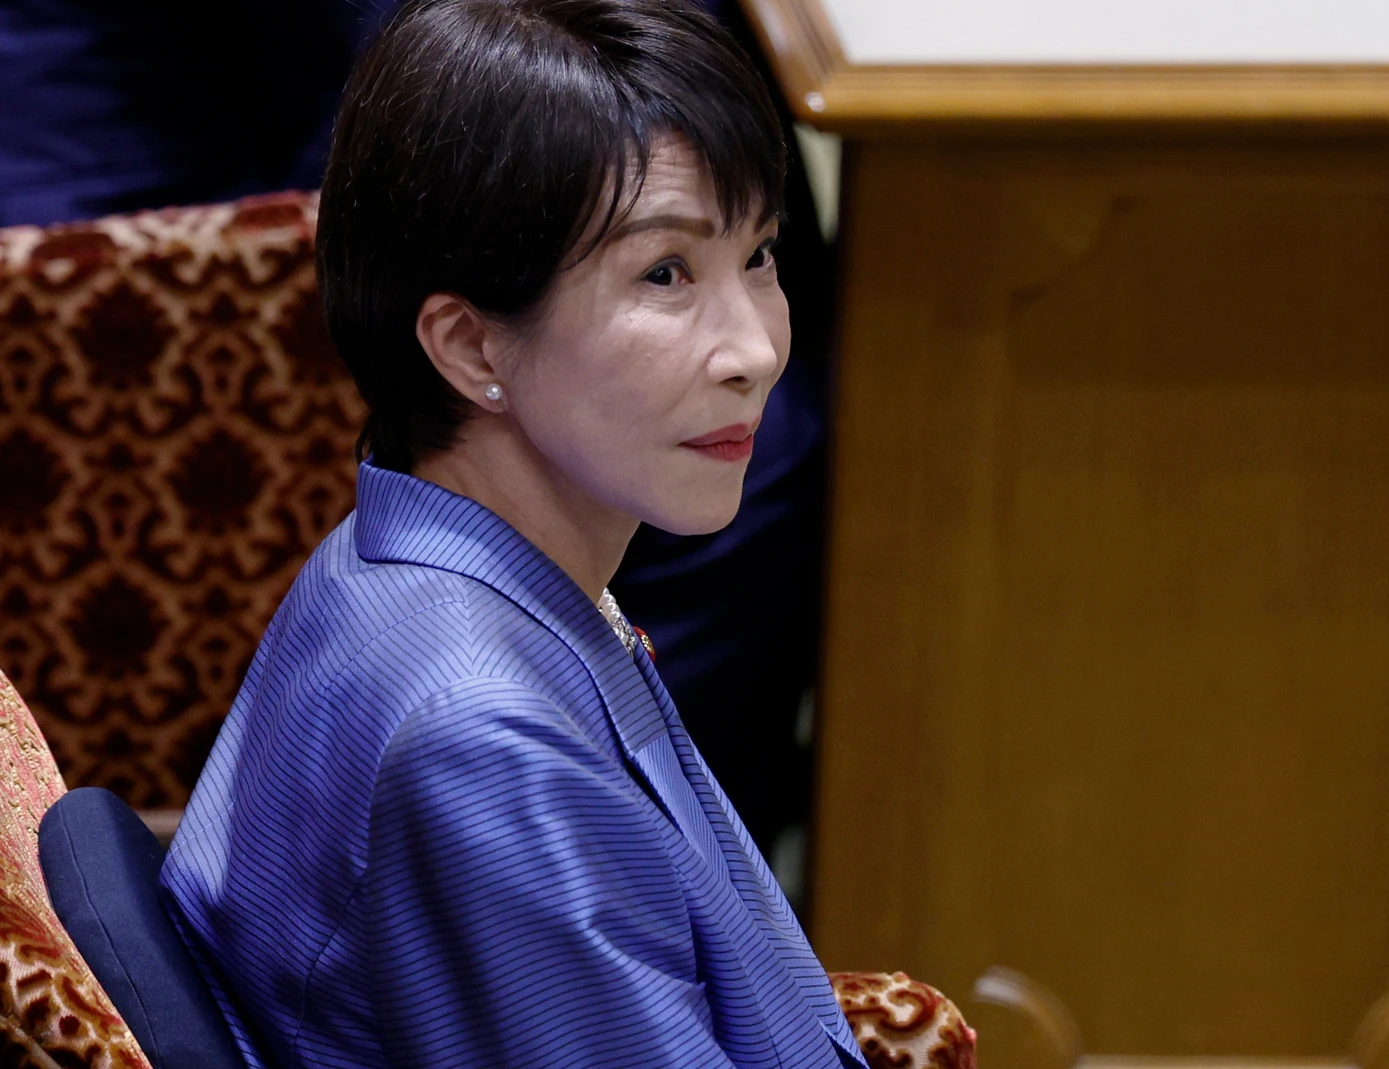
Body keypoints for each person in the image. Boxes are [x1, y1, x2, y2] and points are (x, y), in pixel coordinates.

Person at [158, 2, 864, 1067]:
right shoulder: (482, 741)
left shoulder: (407, 552)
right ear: (468, 342)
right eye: (664, 274)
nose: (753, 350)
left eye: (758, 255)